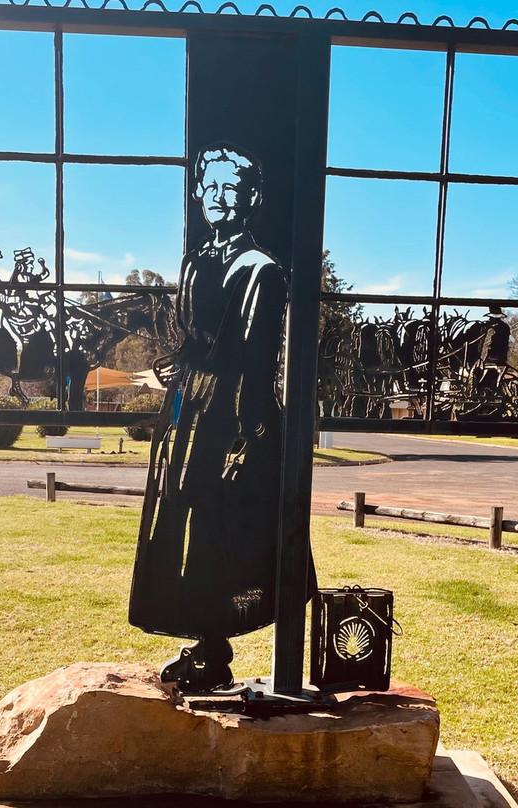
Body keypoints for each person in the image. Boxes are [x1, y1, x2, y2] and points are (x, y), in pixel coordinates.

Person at [128, 144, 312, 692]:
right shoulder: (194, 261)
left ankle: (217, 643)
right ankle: (205, 639)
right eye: (210, 187)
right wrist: (173, 366)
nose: (219, 198)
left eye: (232, 188)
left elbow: (251, 362)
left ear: (252, 197)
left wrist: (243, 438)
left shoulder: (262, 270)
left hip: (233, 416)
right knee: (182, 524)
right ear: (197, 192)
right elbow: (197, 342)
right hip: (189, 413)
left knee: (222, 531)